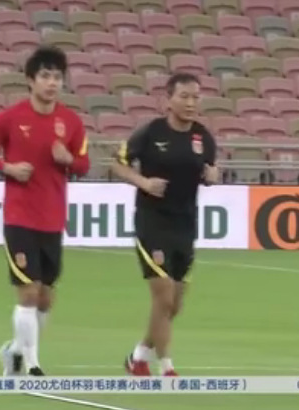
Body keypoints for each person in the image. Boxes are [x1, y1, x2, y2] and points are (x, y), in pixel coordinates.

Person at [0, 45, 90, 377]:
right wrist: (8, 168)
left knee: (45, 298)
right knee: (27, 292)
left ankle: (13, 351)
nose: (52, 83)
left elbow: (84, 164)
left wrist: (69, 160)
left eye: (57, 77)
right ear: (30, 80)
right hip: (20, 217)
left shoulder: (71, 122)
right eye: (45, 76)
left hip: (52, 219)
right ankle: (33, 365)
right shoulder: (10, 118)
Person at [111, 73, 219, 377]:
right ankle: (166, 366)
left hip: (185, 224)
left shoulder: (203, 137)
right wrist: (143, 182)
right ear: (168, 100)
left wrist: (213, 176)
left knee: (173, 305)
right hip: (152, 223)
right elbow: (117, 163)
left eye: (195, 97)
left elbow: (211, 168)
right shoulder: (151, 132)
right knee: (164, 296)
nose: (190, 103)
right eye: (184, 96)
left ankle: (138, 356)